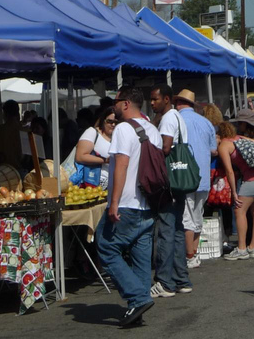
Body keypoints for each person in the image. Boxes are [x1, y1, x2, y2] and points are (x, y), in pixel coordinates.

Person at [96, 86, 160, 327]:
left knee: (105, 247)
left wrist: (113, 202)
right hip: (147, 204)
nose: (113, 106)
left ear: (125, 104)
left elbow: (121, 166)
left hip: (127, 203)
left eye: (116, 101)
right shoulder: (151, 129)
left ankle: (137, 297)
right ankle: (138, 305)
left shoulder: (124, 128)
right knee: (140, 257)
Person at [148, 84, 191, 299]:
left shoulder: (168, 118)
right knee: (176, 229)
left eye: (155, 99)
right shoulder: (177, 116)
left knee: (165, 230)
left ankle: (164, 282)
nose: (152, 103)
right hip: (180, 181)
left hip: (169, 182)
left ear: (166, 99)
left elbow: (165, 147)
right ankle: (181, 279)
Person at [220, 108, 254, 260]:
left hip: (251, 180)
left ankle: (242, 248)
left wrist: (234, 191)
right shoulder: (241, 139)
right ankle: (252, 248)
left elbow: (229, 171)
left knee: (239, 210)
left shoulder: (224, 144)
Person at [173, 89, 217, 269]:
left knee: (186, 217)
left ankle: (189, 255)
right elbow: (213, 149)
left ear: (178, 104)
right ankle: (194, 253)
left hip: (184, 175)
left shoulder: (177, 120)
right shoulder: (206, 122)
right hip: (203, 177)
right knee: (197, 216)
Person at [75, 106, 116, 189]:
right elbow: (80, 157)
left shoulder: (119, 136)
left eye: (116, 122)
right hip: (93, 184)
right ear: (103, 120)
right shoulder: (92, 132)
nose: (113, 124)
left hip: (113, 185)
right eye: (109, 121)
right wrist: (104, 160)